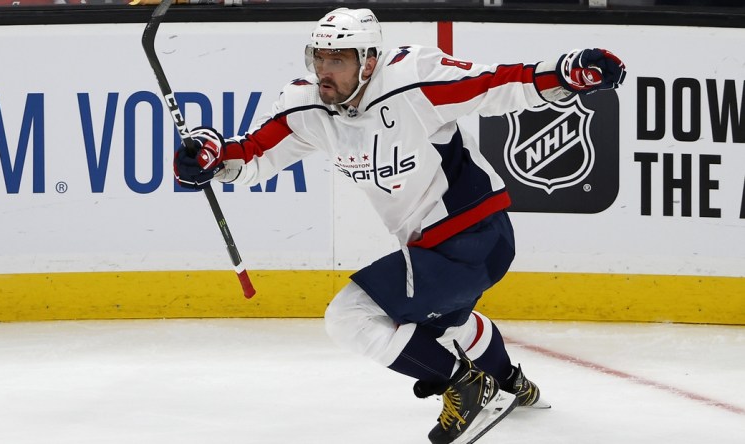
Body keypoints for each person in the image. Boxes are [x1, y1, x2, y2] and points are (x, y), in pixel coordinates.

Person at [174, 8, 626, 444]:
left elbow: (496, 84)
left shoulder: (412, 80)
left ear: (369, 61)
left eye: (338, 60)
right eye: (319, 58)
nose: (324, 70)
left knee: (348, 318)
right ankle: (511, 383)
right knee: (447, 326)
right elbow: (252, 152)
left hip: (473, 235)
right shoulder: (308, 105)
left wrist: (564, 73)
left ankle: (464, 385)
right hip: (437, 248)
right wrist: (210, 158)